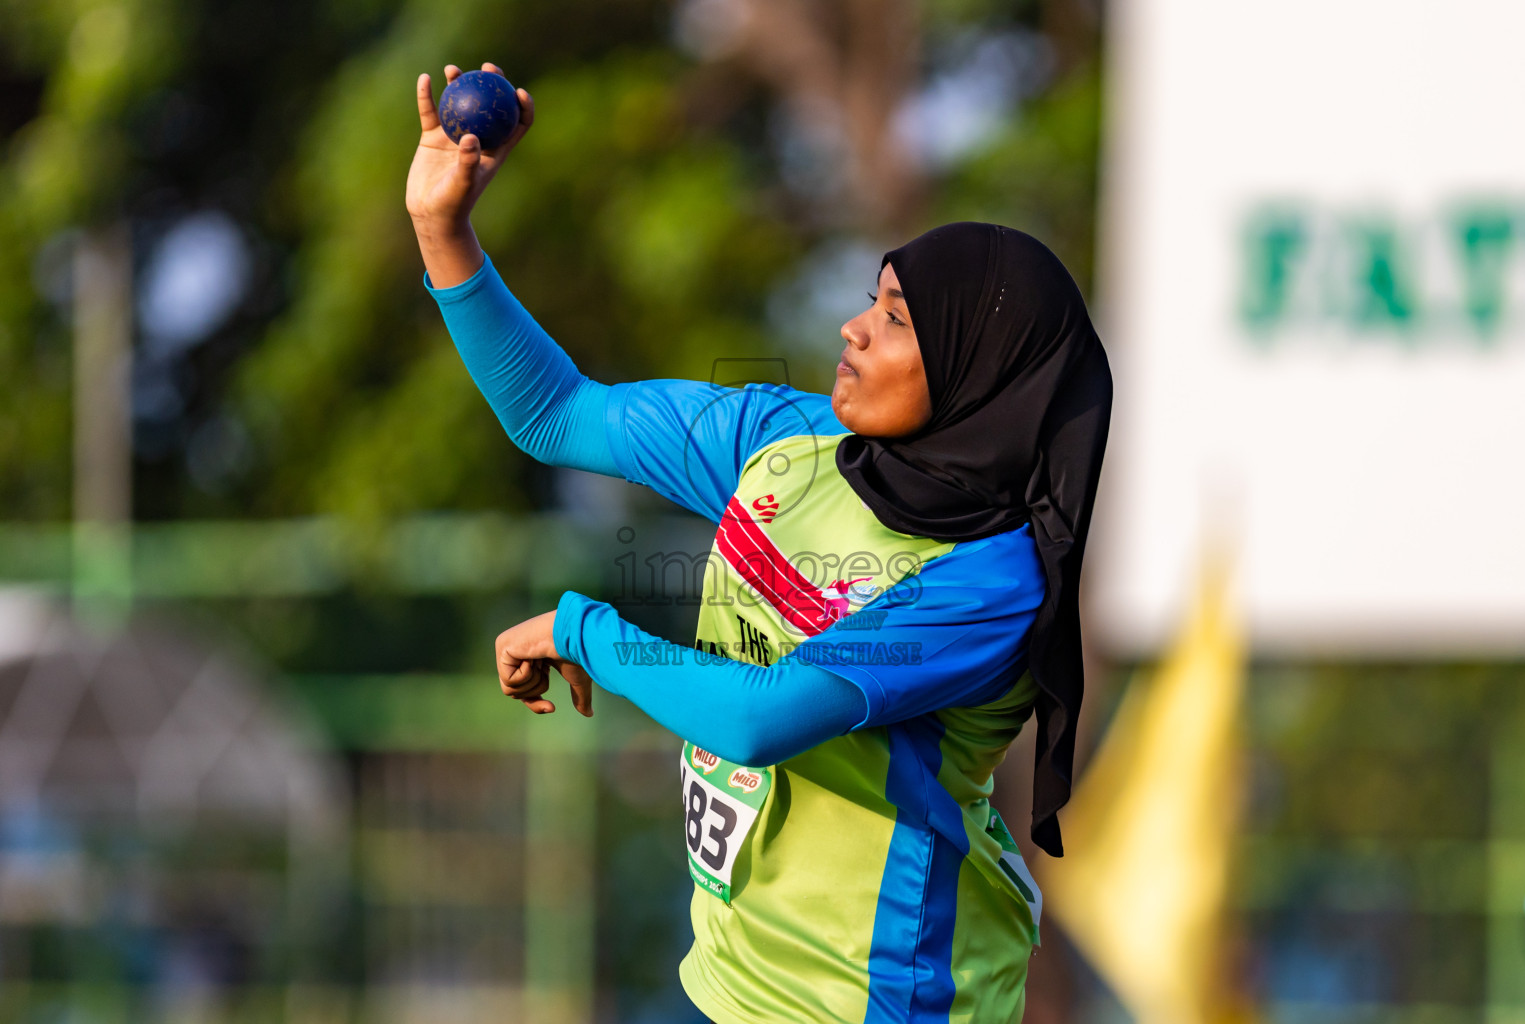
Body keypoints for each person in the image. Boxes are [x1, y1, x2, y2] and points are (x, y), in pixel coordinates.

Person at [408, 63, 1112, 1024]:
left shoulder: (990, 581)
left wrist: (588, 635)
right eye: (873, 299)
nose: (854, 329)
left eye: (899, 321)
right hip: (733, 982)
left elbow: (760, 720)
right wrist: (443, 233)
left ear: (978, 380)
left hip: (877, 1004)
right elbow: (555, 413)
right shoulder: (791, 441)